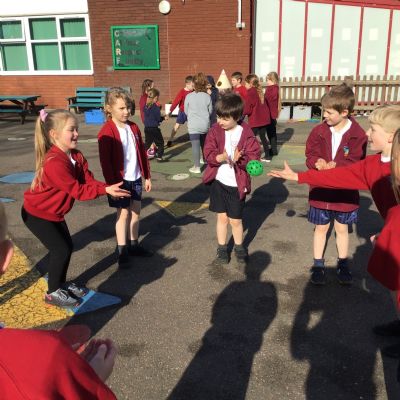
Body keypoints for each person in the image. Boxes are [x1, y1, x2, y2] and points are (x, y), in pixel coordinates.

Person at [268, 104, 400, 355]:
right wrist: (299, 177)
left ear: (391, 136)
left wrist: (389, 235)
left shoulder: (396, 168)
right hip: (393, 228)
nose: (367, 134)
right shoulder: (372, 164)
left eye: (373, 129)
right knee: (395, 285)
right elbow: (339, 177)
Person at [21, 109, 130, 308]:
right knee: (60, 249)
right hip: (36, 214)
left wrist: (106, 188)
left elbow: (87, 180)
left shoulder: (76, 156)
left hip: (53, 212)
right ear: (54, 134)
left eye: (77, 129)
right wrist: (105, 190)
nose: (76, 134)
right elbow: (78, 190)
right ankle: (52, 292)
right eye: (71, 130)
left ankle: (60, 284)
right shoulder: (54, 163)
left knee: (66, 247)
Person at [303, 83, 367, 285]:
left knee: (342, 228)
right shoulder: (318, 131)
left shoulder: (358, 134)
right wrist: (317, 162)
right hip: (321, 190)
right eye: (324, 111)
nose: (325, 116)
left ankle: (343, 263)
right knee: (321, 228)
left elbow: (357, 160)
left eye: (329, 112)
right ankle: (318, 264)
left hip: (344, 193)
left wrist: (337, 166)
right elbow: (310, 154)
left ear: (344, 112)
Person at [203, 92, 260, 265]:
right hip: (219, 181)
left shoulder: (246, 133)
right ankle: (222, 247)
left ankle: (239, 246)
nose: (220, 121)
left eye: (225, 118)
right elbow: (208, 152)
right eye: (218, 116)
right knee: (222, 218)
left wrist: (240, 159)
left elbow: (254, 156)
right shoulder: (214, 130)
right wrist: (219, 157)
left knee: (235, 220)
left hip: (236, 183)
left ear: (237, 117)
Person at [98, 87, 153, 268]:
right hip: (119, 181)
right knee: (123, 214)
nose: (126, 111)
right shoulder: (106, 131)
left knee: (136, 212)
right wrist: (111, 185)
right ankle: (122, 250)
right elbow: (106, 163)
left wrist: (147, 176)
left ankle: (134, 244)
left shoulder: (134, 127)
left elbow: (142, 154)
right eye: (121, 108)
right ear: (109, 108)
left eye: (128, 107)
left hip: (135, 178)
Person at [184, 72, 213, 174]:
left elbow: (186, 111)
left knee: (195, 146)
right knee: (204, 144)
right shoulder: (207, 97)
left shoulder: (189, 96)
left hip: (193, 125)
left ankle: (196, 167)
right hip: (204, 124)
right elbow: (210, 111)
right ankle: (205, 159)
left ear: (194, 84)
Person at [243, 74, 271, 162]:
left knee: (249, 138)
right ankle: (267, 156)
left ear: (250, 84)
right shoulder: (259, 91)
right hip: (263, 119)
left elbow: (248, 108)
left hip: (255, 120)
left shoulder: (250, 92)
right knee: (263, 137)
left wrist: (242, 113)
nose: (245, 85)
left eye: (246, 83)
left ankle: (249, 155)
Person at [166, 75, 193, 147]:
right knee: (177, 126)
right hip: (182, 112)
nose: (193, 87)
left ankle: (193, 140)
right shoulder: (182, 92)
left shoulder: (193, 91)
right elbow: (176, 102)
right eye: (192, 85)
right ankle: (170, 140)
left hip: (191, 112)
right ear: (187, 84)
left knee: (191, 126)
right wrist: (170, 111)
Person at [144, 88, 167, 162]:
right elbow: (158, 119)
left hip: (147, 128)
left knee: (148, 143)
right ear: (156, 97)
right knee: (160, 143)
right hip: (154, 128)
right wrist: (163, 118)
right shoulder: (156, 108)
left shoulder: (146, 106)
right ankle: (159, 157)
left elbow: (150, 116)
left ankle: (141, 154)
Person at [264, 71, 281, 158]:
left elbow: (271, 98)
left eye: (268, 80)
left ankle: (274, 150)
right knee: (270, 132)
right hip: (269, 113)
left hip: (271, 114)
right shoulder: (270, 88)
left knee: (271, 133)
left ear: (273, 80)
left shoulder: (274, 88)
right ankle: (273, 149)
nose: (267, 81)